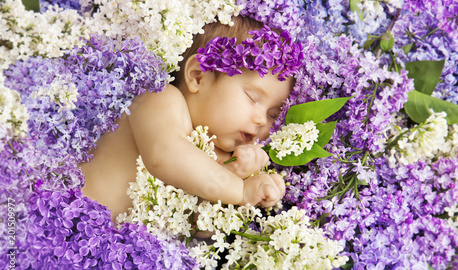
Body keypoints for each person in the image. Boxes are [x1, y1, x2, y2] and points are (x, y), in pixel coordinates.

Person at [79, 16, 303, 222]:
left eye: (272, 114)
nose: (262, 120)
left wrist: (237, 173)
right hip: (72, 220)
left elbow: (198, 226)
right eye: (252, 98)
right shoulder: (160, 99)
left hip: (114, 257)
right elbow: (164, 155)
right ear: (198, 76)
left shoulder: (213, 156)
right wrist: (240, 190)